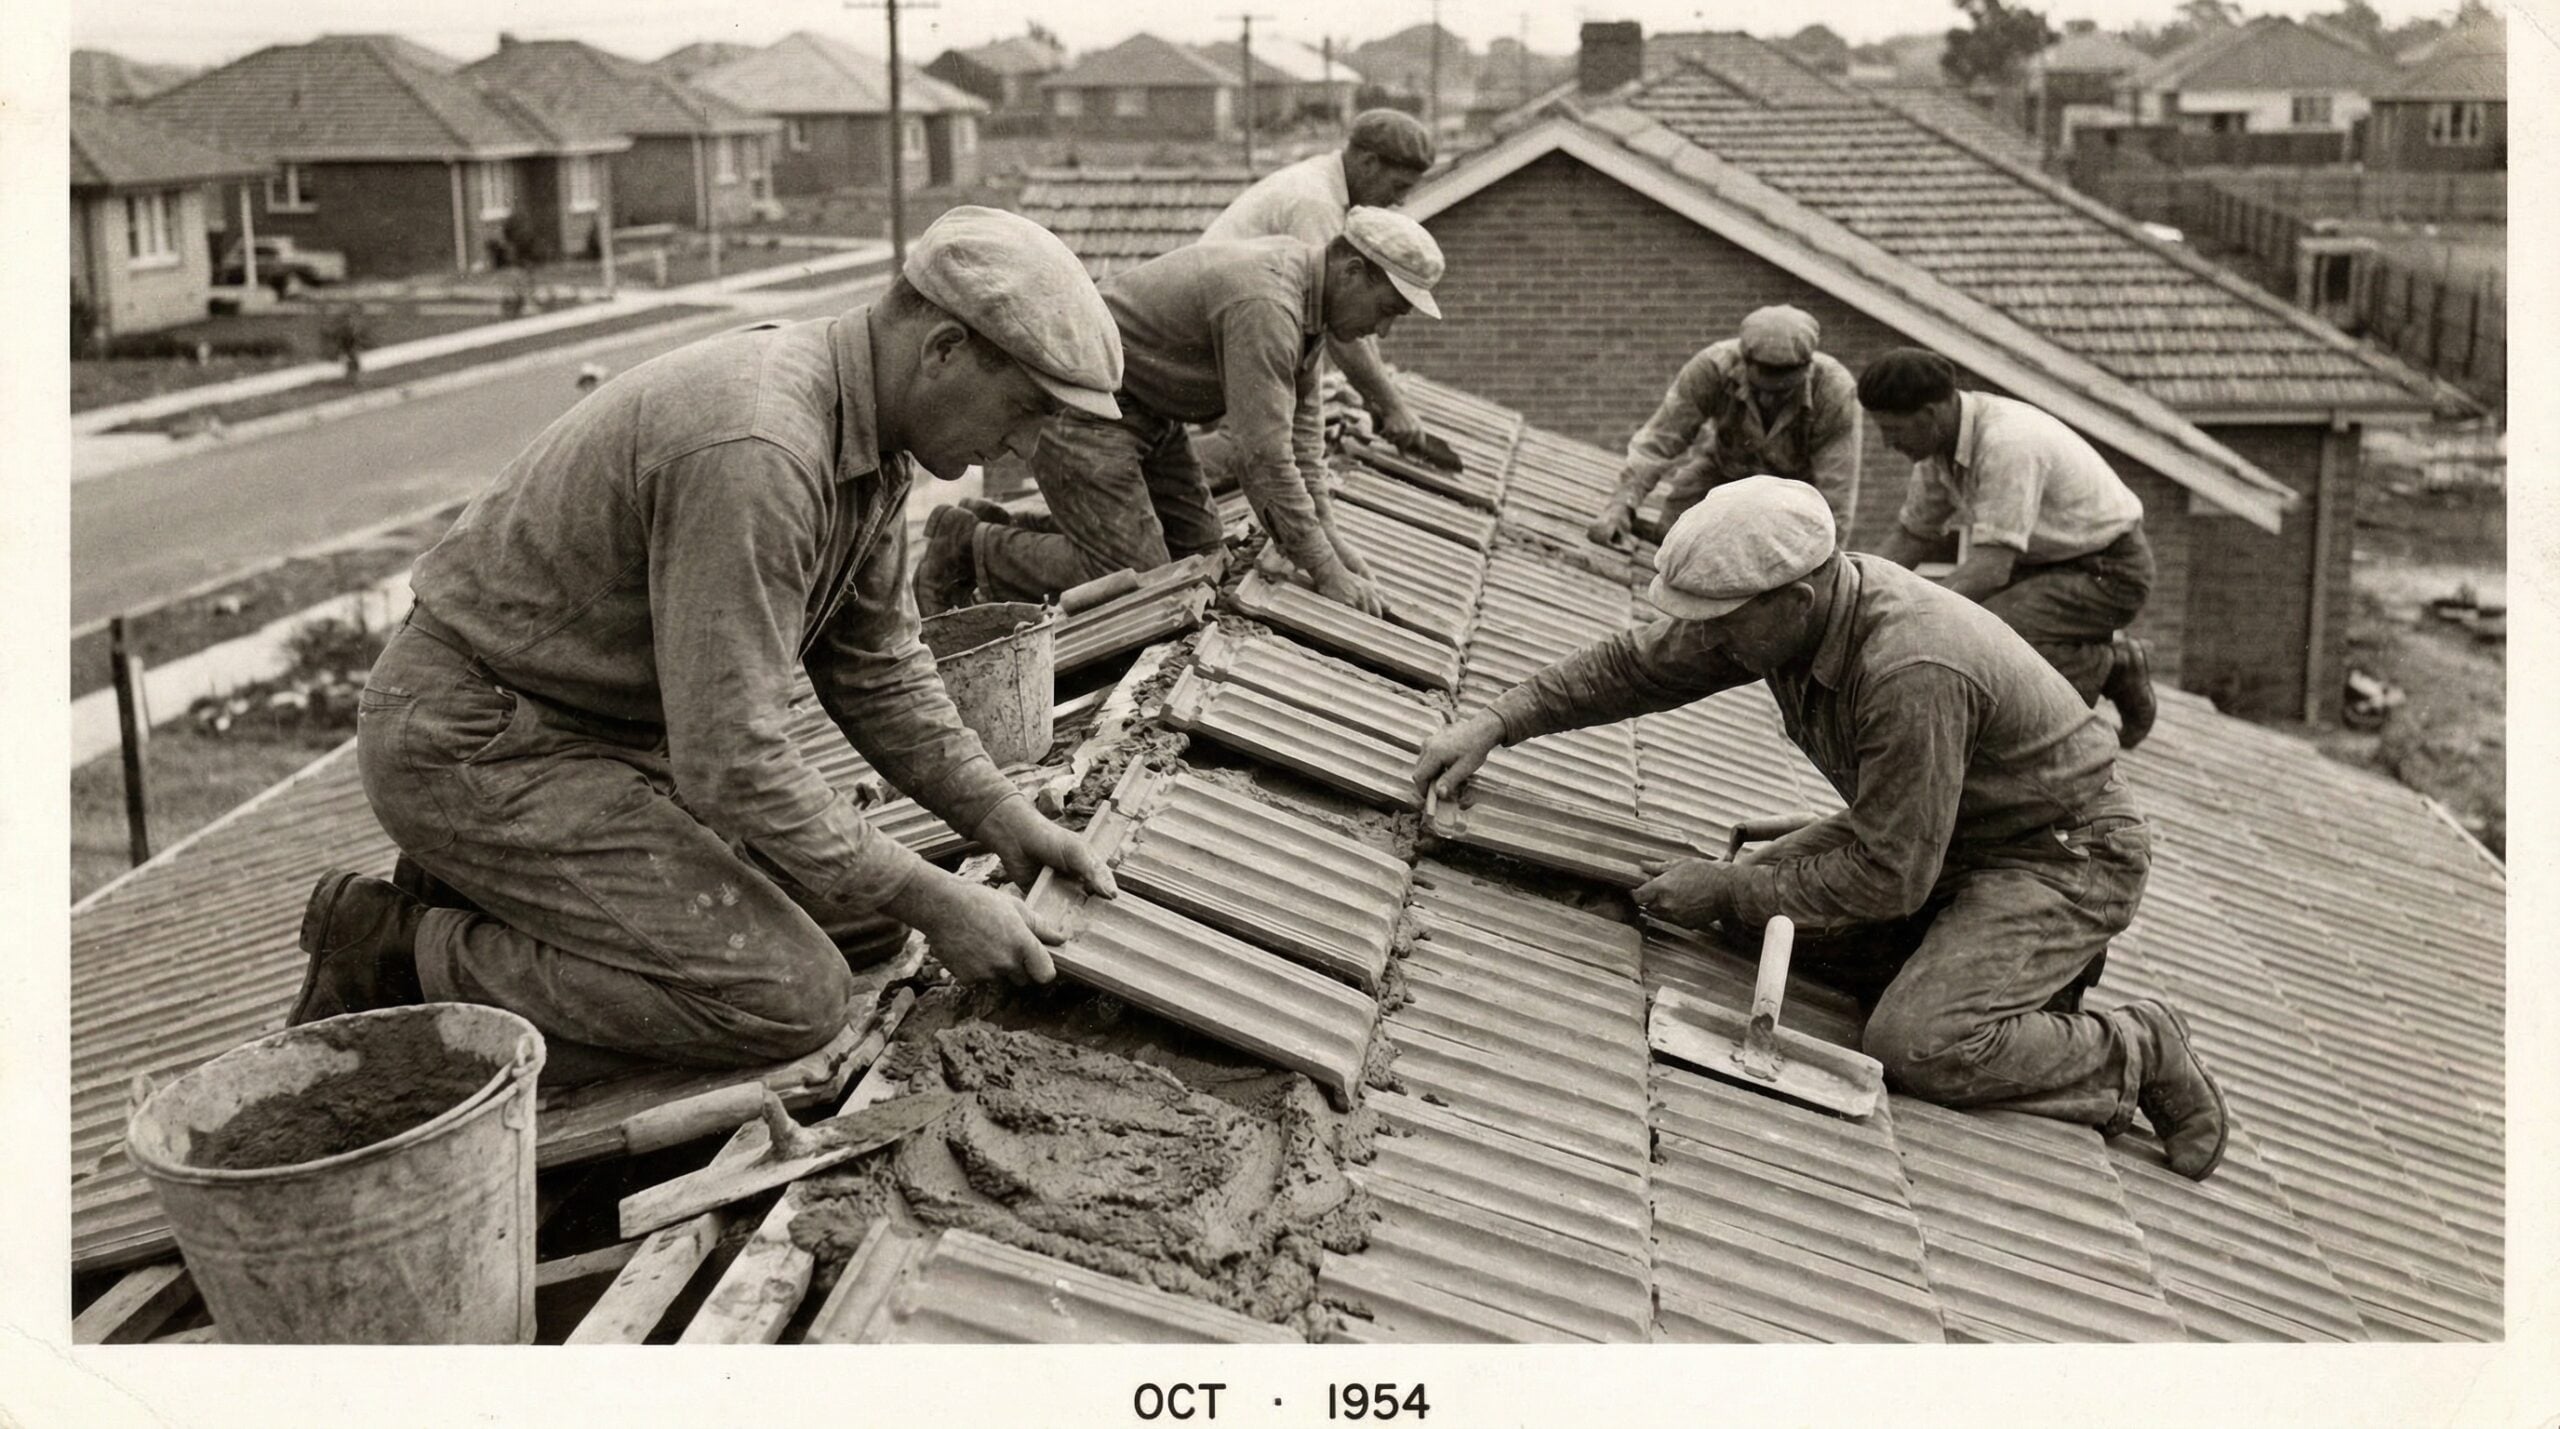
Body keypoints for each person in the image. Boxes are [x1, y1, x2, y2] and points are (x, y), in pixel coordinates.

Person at [292, 208, 1124, 1082]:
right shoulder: (761, 448)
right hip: (478, 745)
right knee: (786, 995)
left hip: (586, 746)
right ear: (944, 348)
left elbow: (878, 669)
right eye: (1026, 408)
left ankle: (497, 904)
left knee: (872, 920)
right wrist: (934, 893)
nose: (1026, 445)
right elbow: (732, 757)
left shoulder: (870, 441)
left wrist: (1004, 820)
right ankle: (389, 951)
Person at [1414, 477, 2229, 1179]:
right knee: (1743, 929)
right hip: (1938, 835)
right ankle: (1994, 968)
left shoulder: (1911, 668)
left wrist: (1734, 886)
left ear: (1794, 601)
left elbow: (1890, 874)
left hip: (2062, 856)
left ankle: (2135, 1045)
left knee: (1918, 1041)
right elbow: (1639, 665)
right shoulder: (1787, 612)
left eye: (1721, 623)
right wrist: (1497, 720)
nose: (1706, 639)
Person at [917, 207, 1445, 619]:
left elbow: (1300, 439)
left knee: (1201, 555)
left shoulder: (1308, 299)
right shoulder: (1268, 306)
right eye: (1387, 310)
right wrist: (1325, 572)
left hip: (1148, 409)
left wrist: (1329, 540)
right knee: (1142, 579)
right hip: (1080, 406)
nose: (1383, 331)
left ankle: (1006, 527)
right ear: (1353, 272)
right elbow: (1261, 458)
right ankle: (969, 547)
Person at [1857, 348, 2160, 749]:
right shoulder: (1940, 449)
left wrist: (1913, 615)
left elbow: (1990, 569)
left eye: (1893, 430)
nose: (1886, 443)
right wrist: (1857, 598)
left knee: (1991, 639)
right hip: (2046, 567)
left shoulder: (2006, 443)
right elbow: (1912, 535)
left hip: (2109, 572)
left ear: (1930, 415)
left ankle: (2112, 668)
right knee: (1969, 634)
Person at [1203, 108, 1441, 456]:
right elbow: (1338, 319)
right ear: (1370, 163)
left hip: (1240, 328)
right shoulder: (1314, 202)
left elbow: (1357, 319)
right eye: (1398, 186)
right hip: (1218, 333)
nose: (1400, 200)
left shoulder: (1334, 194)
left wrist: (1380, 394)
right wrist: (1392, 406)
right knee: (1254, 450)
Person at [1586, 305, 1861, 546]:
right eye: (1759, 389)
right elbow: (1659, 441)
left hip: (1792, 499)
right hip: (1721, 474)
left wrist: (1822, 567)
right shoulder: (1712, 368)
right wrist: (1621, 505)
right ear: (1743, 361)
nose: (1767, 399)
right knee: (1675, 543)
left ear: (1806, 369)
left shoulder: (1834, 391)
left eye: (1781, 394)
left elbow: (1836, 496)